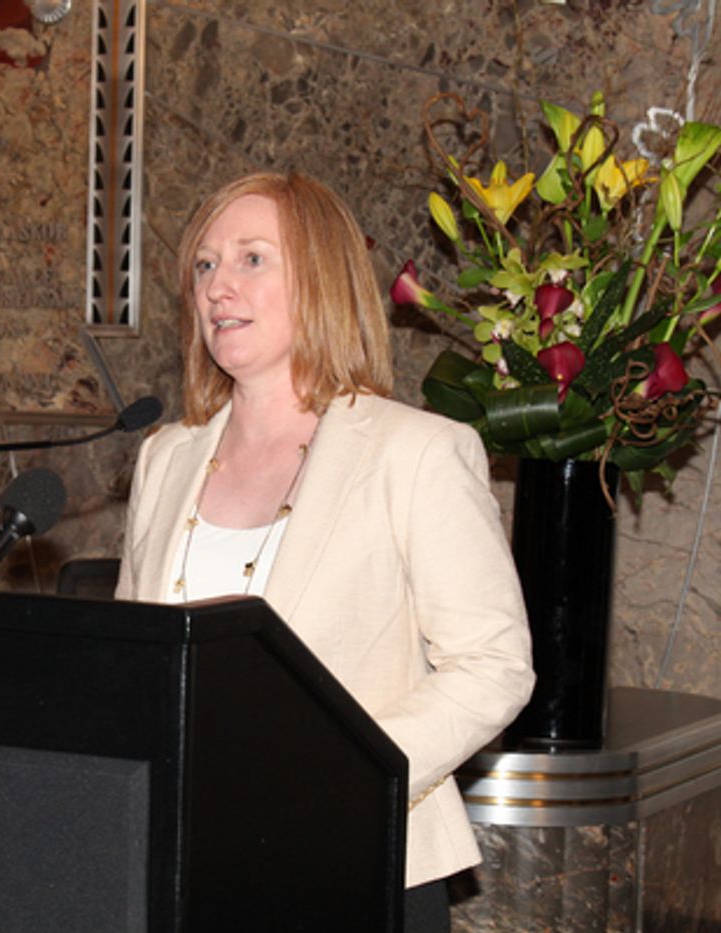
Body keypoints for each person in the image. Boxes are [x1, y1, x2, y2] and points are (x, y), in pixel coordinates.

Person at [114, 172, 534, 931]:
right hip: (181, 861)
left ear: (323, 280)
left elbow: (493, 665)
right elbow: (130, 662)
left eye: (251, 259)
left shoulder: (419, 452)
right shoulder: (165, 458)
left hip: (351, 857)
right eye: (204, 266)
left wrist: (341, 775)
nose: (217, 287)